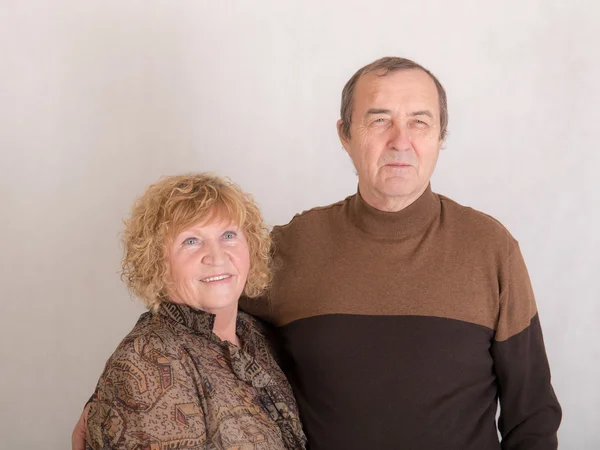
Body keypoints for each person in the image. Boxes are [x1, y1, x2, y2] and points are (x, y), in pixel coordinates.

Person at [75, 57, 561, 449]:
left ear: (440, 137)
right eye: (379, 121)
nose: (401, 141)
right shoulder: (293, 246)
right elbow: (192, 307)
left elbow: (533, 415)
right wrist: (107, 400)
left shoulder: (490, 247)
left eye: (420, 122)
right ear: (345, 135)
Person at [79, 174, 306, 449]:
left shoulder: (255, 333)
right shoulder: (149, 360)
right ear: (157, 260)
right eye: (191, 241)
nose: (217, 256)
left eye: (228, 235)